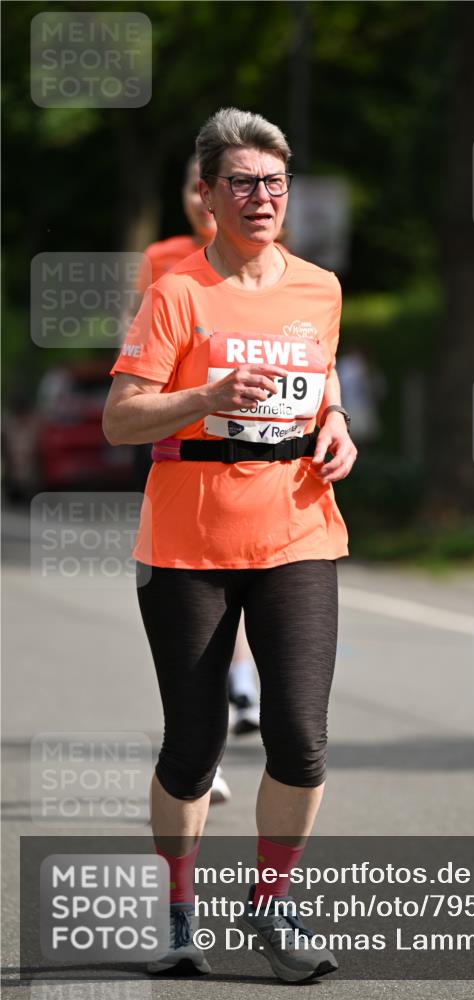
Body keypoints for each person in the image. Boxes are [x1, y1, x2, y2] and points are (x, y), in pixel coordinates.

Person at [103, 106, 357, 983]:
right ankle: (179, 917)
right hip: (186, 543)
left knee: (300, 738)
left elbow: (320, 386)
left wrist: (339, 427)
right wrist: (202, 399)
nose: (261, 197)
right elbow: (119, 415)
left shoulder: (318, 288)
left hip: (297, 528)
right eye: (243, 182)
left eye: (274, 183)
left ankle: (271, 911)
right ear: (207, 195)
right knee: (193, 745)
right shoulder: (178, 292)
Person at [133, 155, 262, 806]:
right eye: (189, 185)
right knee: (196, 594)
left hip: (258, 457)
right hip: (181, 446)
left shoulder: (271, 262)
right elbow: (148, 350)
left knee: (240, 580)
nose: (197, 197)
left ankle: (241, 686)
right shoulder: (163, 262)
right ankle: (200, 744)